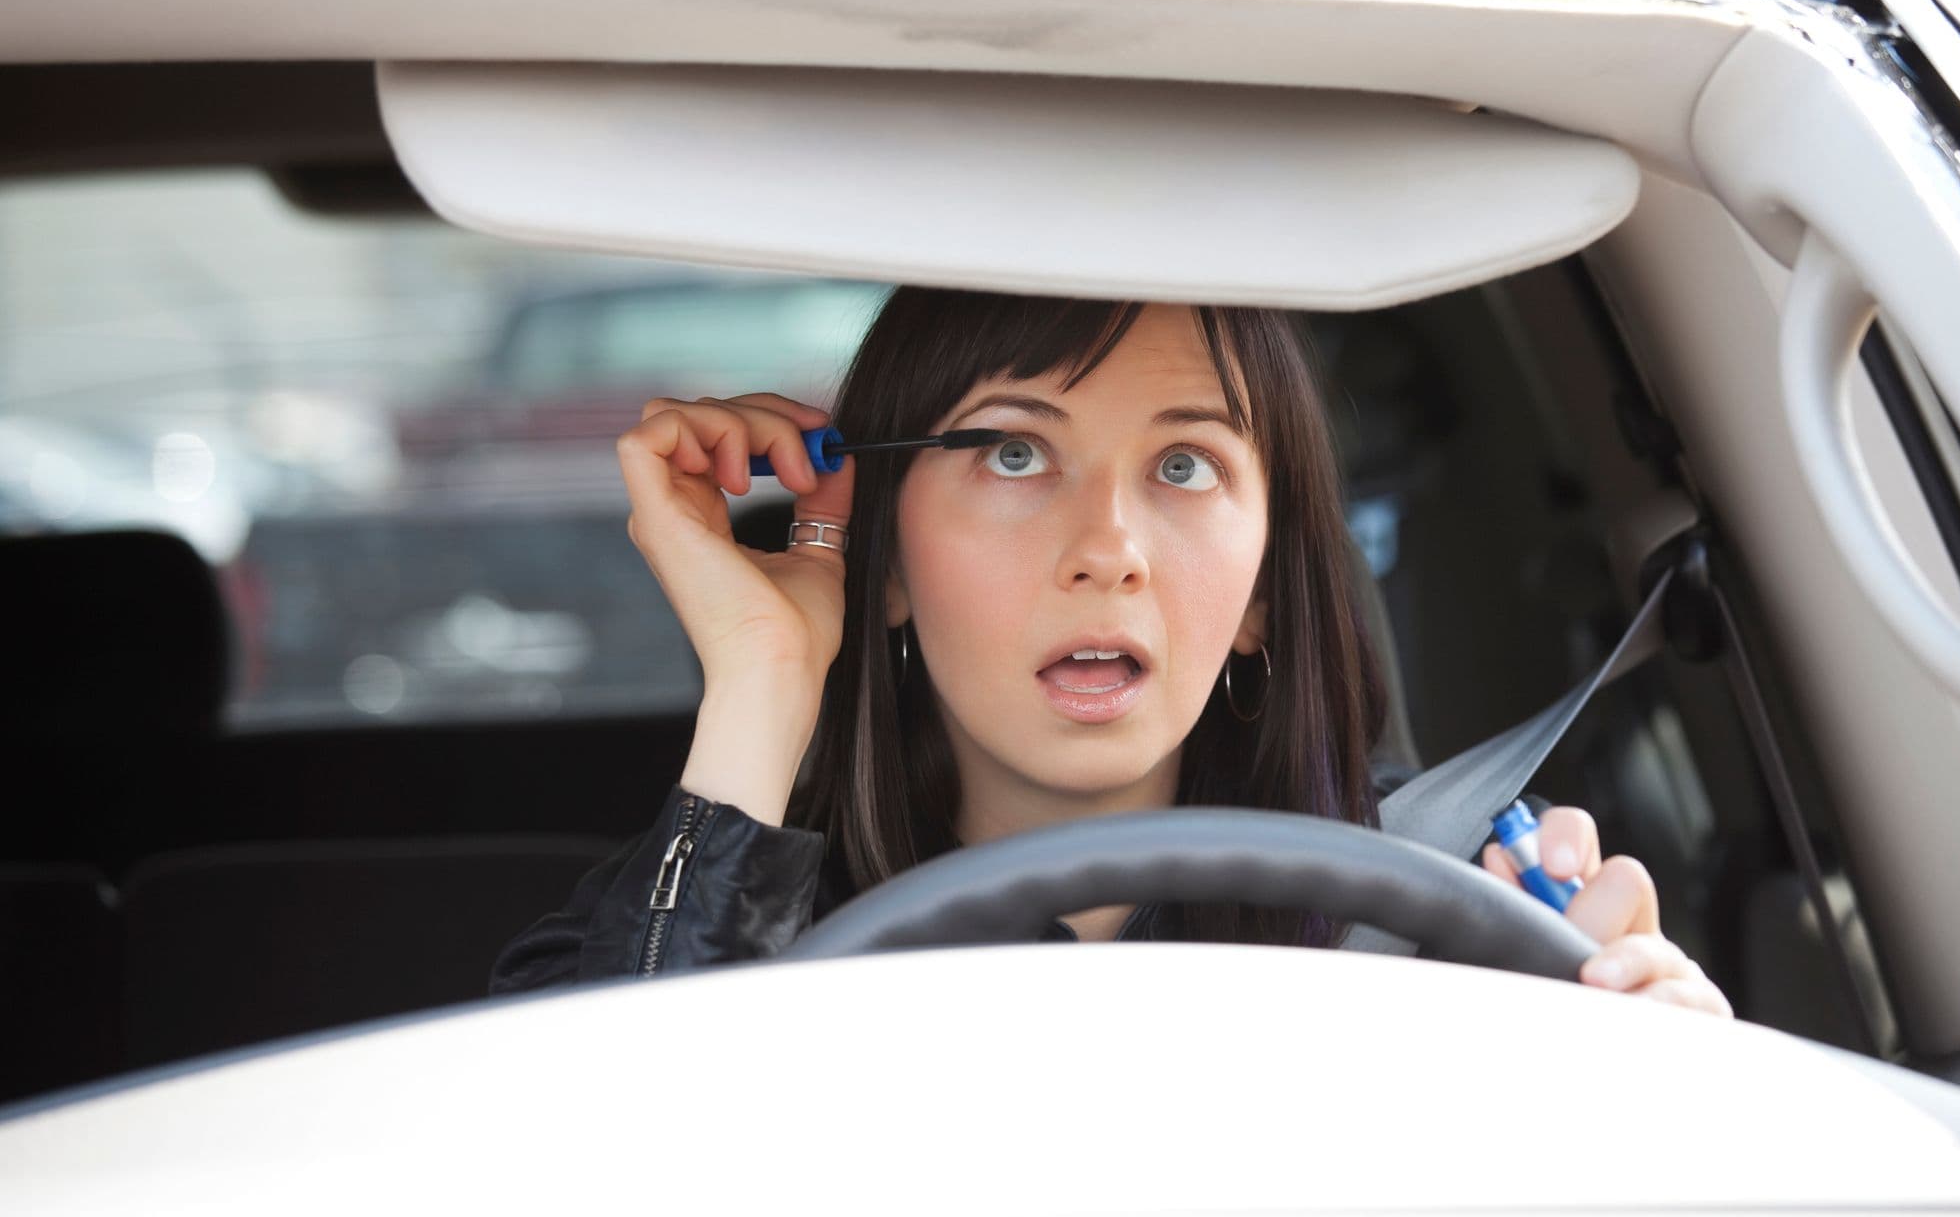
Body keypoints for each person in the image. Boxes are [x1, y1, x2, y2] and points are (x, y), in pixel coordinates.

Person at [491, 291, 1730, 1016]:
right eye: (1014, 453)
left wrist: (1642, 1088)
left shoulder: (1462, 925)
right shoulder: (678, 944)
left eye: (1185, 465)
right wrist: (764, 674)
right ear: (888, 566)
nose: (1109, 549)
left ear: (1259, 595)